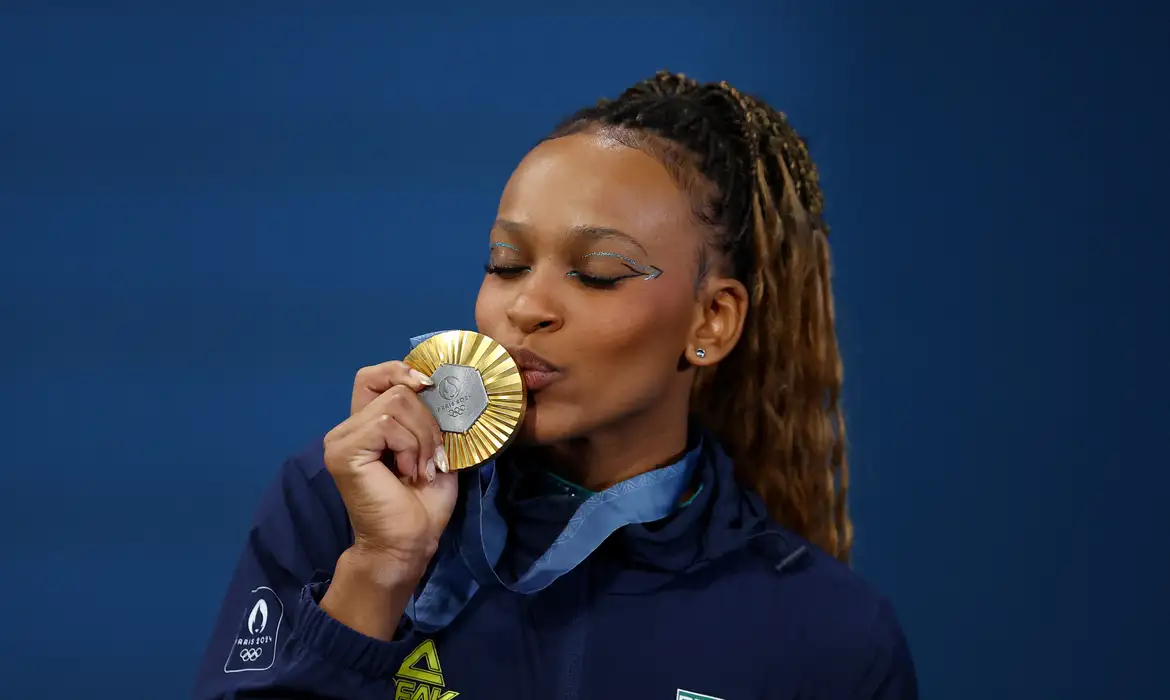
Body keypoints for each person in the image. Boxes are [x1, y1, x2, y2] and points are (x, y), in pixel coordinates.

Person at [193, 70, 917, 700]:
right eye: (506, 263)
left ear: (712, 321)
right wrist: (379, 574)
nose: (526, 307)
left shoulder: (827, 633)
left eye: (597, 273)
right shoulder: (338, 505)